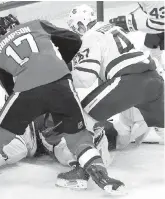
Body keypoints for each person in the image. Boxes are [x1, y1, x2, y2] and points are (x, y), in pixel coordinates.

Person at [0, 14, 125, 194]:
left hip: (27, 92)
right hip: (62, 82)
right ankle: (102, 175)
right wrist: (59, 63)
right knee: (78, 137)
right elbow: (74, 40)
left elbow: (11, 90)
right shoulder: (36, 24)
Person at [56, 4, 164, 189]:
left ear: (81, 24)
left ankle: (85, 172)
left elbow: (86, 77)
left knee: (83, 117)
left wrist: (66, 71)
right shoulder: (111, 28)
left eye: (76, 29)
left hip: (129, 80)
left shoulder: (90, 36)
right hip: (154, 79)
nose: (77, 33)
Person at [109, 2, 164, 71]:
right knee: (155, 53)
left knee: (145, 52)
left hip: (156, 32)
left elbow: (160, 23)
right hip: (156, 32)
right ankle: (159, 69)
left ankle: (157, 70)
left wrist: (131, 23)